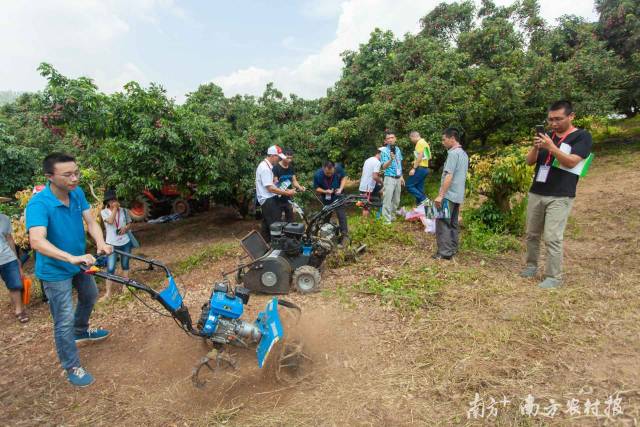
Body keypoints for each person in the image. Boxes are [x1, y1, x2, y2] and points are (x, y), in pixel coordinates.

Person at [26, 153, 113, 387]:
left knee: (90, 295)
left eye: (76, 173)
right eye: (67, 175)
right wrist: (70, 258)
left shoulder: (77, 193)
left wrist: (101, 242)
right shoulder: (39, 204)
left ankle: (81, 331)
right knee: (63, 319)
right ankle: (72, 365)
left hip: (79, 262)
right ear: (50, 176)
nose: (74, 178)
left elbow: (91, 222)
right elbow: (37, 240)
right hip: (55, 271)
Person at [520, 100, 593, 289]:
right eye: (550, 119)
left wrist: (551, 147)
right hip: (537, 191)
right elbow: (529, 162)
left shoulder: (582, 137)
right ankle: (531, 266)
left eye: (558, 119)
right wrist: (536, 147)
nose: (553, 123)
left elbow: (571, 162)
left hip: (560, 194)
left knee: (552, 237)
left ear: (571, 116)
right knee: (532, 233)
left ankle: (553, 276)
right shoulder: (547, 136)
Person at [433, 128, 468, 260]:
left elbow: (449, 175)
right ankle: (452, 248)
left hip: (448, 195)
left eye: (444, 139)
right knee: (453, 223)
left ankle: (444, 252)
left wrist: (441, 195)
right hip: (457, 195)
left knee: (442, 222)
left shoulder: (453, 154)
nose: (443, 142)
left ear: (452, 138)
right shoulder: (463, 153)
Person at [256, 145, 296, 241]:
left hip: (268, 199)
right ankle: (276, 247)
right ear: (272, 155)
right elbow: (270, 188)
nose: (279, 159)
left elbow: (273, 185)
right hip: (268, 200)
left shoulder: (269, 166)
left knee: (267, 224)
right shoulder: (265, 168)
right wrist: (286, 193)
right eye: (278, 157)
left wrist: (285, 190)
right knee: (276, 226)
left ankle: (265, 245)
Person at [100, 189, 133, 301]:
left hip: (125, 241)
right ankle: (108, 293)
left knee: (125, 264)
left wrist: (125, 228)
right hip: (111, 244)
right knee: (110, 267)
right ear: (107, 202)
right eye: (111, 200)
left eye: (114, 199)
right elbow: (110, 221)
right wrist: (114, 209)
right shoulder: (104, 212)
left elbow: (129, 223)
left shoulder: (123, 210)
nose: (113, 201)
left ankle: (125, 287)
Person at [0, 211, 27, 322]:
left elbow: (9, 238)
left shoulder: (4, 218)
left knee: (15, 284)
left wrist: (16, 258)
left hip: (7, 257)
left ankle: (19, 310)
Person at [313, 161, 349, 243]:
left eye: (331, 173)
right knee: (326, 215)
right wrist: (325, 191)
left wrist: (340, 188)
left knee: (341, 214)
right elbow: (317, 188)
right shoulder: (317, 175)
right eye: (327, 173)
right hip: (326, 197)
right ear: (323, 168)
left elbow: (344, 177)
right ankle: (323, 234)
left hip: (338, 196)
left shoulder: (338, 168)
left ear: (334, 168)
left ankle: (344, 236)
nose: (329, 174)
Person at [273, 148, 306, 222]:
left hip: (288, 198)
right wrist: (288, 190)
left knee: (290, 219)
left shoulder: (291, 167)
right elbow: (276, 183)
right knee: (278, 220)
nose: (289, 160)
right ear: (283, 157)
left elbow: (294, 181)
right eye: (287, 158)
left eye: (291, 158)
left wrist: (300, 187)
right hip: (278, 198)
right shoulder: (276, 168)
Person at [379, 131, 405, 223]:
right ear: (385, 141)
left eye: (392, 137)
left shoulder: (397, 149)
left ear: (395, 139)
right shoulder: (384, 151)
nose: (390, 140)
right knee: (387, 199)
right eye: (388, 138)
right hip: (389, 177)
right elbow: (383, 166)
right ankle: (386, 221)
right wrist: (391, 159)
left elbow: (399, 163)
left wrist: (401, 176)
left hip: (398, 177)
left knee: (396, 200)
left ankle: (392, 216)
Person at [406, 131, 432, 205]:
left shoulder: (419, 143)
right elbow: (429, 156)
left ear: (414, 136)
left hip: (419, 168)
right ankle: (422, 208)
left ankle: (426, 201)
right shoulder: (425, 143)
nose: (411, 140)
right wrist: (415, 161)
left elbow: (420, 156)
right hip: (425, 169)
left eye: (411, 138)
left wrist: (414, 168)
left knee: (409, 185)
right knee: (419, 188)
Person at [359, 147, 384, 217]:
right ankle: (367, 222)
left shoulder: (368, 160)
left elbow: (368, 172)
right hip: (368, 187)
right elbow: (375, 177)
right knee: (366, 207)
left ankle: (377, 216)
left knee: (366, 206)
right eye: (384, 155)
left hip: (364, 185)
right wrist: (382, 182)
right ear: (380, 154)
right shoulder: (377, 162)